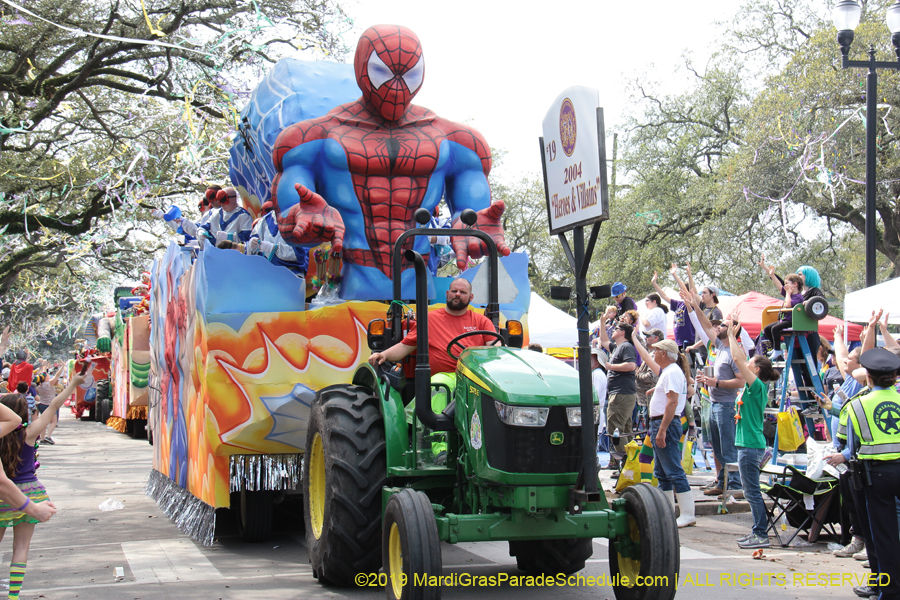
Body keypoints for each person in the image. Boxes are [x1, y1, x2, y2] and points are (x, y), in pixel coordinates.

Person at [268, 25, 510, 300]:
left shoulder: (456, 142)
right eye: (383, 72)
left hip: (418, 287)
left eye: (409, 75)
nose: (397, 87)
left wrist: (475, 227)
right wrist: (300, 218)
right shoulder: (311, 139)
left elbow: (472, 214)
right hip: (349, 286)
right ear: (362, 66)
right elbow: (292, 214)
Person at [0, 371, 83, 599]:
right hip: (29, 492)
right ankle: (13, 596)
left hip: (3, 495)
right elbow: (55, 404)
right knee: (21, 548)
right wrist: (74, 383)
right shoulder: (28, 433)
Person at [825, 348, 900, 600]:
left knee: (882, 535)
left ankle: (887, 590)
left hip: (875, 475)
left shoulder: (856, 405)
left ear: (868, 376)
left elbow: (846, 443)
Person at [367, 278, 496, 377]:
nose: (457, 294)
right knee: (440, 384)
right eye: (454, 291)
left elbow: (495, 349)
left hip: (474, 377)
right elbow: (406, 346)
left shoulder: (482, 321)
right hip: (443, 377)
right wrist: (383, 355)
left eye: (462, 292)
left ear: (471, 297)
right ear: (447, 293)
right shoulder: (428, 319)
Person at [727, 317, 781, 548]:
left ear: (756, 370)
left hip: (750, 446)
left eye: (751, 363)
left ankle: (761, 534)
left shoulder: (756, 385)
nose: (746, 364)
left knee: (752, 492)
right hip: (747, 444)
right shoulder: (752, 387)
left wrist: (731, 334)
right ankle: (757, 532)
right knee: (751, 491)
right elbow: (739, 358)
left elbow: (738, 359)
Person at [685, 291, 745, 496]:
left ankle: (735, 484)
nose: (718, 327)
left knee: (728, 448)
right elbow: (707, 325)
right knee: (717, 447)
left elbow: (741, 381)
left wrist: (716, 382)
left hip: (727, 406)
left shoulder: (734, 352)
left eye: (724, 325)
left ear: (733, 331)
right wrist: (695, 306)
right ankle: (722, 481)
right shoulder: (719, 346)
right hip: (714, 402)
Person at [632, 337, 696, 527]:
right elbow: (671, 398)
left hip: (665, 423)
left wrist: (662, 430)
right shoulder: (671, 372)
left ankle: (687, 513)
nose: (653, 353)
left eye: (656, 350)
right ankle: (669, 512)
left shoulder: (671, 373)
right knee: (662, 471)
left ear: (663, 354)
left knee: (673, 470)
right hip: (662, 422)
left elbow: (673, 402)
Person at [598, 322, 637, 466]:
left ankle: (627, 465)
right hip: (620, 393)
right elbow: (604, 341)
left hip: (621, 393)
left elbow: (631, 366)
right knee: (624, 429)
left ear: (622, 333)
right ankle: (630, 465)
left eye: (616, 329)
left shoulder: (626, 347)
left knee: (615, 428)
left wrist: (609, 366)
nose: (613, 331)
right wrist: (602, 323)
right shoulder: (617, 348)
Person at [245, 208, 310, 281]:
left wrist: (273, 248)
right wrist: (251, 245)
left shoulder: (300, 220)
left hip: (290, 277)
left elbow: (300, 254)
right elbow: (250, 252)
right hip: (265, 277)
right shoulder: (264, 221)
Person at [651, 266, 695, 352]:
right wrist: (654, 283)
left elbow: (684, 289)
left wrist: (674, 275)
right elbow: (664, 296)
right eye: (679, 291)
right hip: (678, 341)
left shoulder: (691, 303)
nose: (680, 292)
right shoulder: (678, 304)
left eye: (681, 290)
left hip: (689, 341)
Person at [762, 273, 804, 360]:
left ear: (795, 284)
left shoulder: (798, 297)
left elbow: (788, 306)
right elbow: (778, 285)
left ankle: (777, 350)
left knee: (775, 329)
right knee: (767, 329)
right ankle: (775, 348)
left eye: (787, 283)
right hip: (784, 320)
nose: (785, 286)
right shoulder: (789, 294)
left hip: (791, 321)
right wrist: (772, 275)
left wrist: (788, 294)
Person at [34, 367, 64, 444]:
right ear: (45, 378)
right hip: (50, 405)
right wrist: (62, 367)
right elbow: (57, 375)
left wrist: (43, 367)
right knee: (53, 422)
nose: (49, 376)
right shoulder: (49, 384)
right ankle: (48, 436)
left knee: (44, 422)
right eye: (47, 375)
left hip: (41, 405)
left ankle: (42, 438)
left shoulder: (38, 386)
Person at [590, 346, 609, 445]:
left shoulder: (597, 375)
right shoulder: (596, 374)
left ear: (597, 361)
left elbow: (594, 395)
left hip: (595, 411)